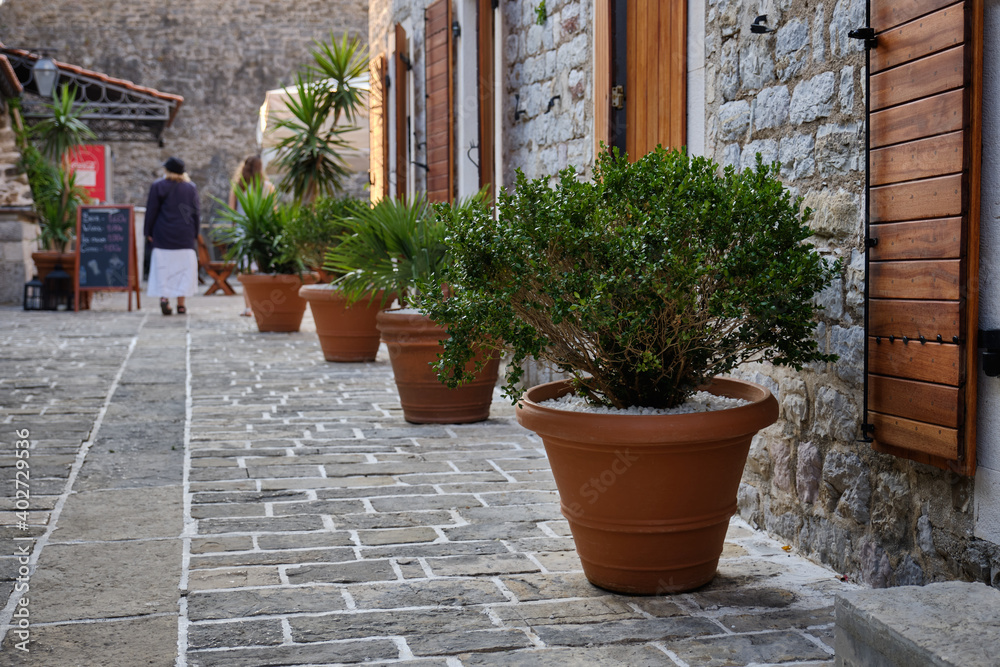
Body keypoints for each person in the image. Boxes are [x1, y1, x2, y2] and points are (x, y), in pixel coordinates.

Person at [145, 156, 200, 315]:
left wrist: (148, 232)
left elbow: (151, 211)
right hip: (184, 235)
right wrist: (195, 233)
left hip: (162, 235)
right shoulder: (190, 188)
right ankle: (181, 304)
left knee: (164, 269)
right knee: (183, 270)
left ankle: (164, 298)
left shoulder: (158, 186)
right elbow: (196, 213)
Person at [228, 154, 274, 316]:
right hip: (263, 232)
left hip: (244, 233)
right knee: (263, 269)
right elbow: (273, 212)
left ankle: (248, 307)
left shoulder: (238, 187)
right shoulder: (267, 187)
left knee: (247, 271)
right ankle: (263, 304)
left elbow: (232, 213)